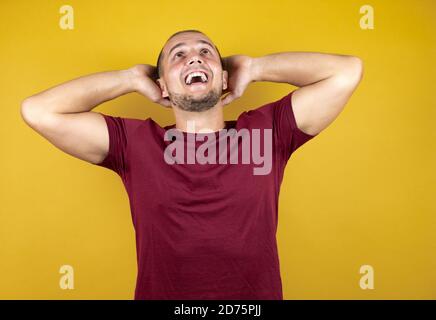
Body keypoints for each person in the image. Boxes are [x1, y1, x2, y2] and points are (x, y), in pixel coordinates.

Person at [20, 29, 363, 299]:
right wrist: (129, 79)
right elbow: (38, 111)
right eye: (178, 56)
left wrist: (256, 68)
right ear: (163, 87)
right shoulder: (135, 144)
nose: (194, 59)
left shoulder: (267, 132)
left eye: (205, 52)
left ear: (225, 78)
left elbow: (348, 71)